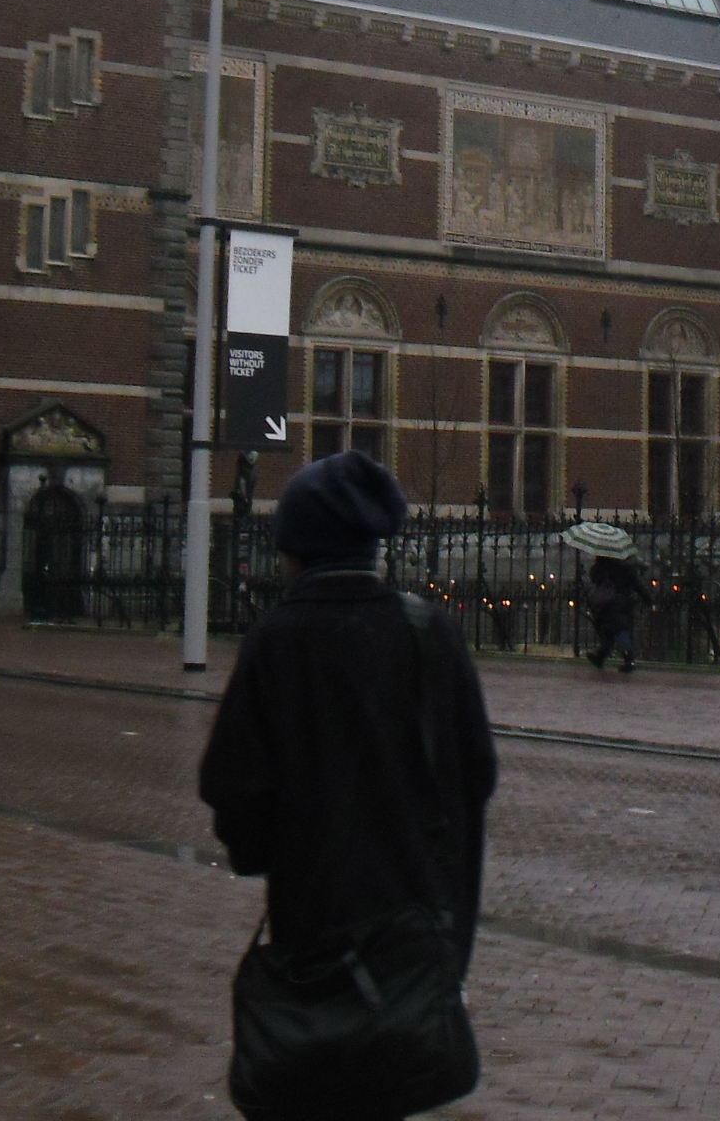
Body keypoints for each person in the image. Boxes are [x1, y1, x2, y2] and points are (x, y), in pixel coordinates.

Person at [199, 449, 497, 1113]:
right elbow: (475, 778)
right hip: (413, 926)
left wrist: (265, 850)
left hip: (311, 927)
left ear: (296, 551)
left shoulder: (276, 640)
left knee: (317, 1083)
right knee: (391, 1084)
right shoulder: (430, 633)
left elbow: (233, 788)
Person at [581, 552, 643, 672]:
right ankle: (601, 656)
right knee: (613, 630)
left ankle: (627, 659)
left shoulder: (605, 565)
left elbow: (594, 577)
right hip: (623, 602)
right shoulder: (626, 567)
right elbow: (637, 584)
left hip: (609, 603)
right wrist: (649, 600)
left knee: (616, 630)